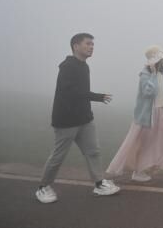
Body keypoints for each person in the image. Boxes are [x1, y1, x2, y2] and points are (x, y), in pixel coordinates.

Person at [35, 33, 120, 203]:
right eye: (88, 43)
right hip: (66, 120)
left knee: (93, 151)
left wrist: (89, 109)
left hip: (85, 119)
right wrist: (97, 97)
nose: (91, 47)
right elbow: (71, 92)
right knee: (58, 156)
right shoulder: (67, 67)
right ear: (76, 46)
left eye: (92, 44)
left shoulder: (84, 66)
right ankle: (43, 187)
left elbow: (80, 93)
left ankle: (99, 184)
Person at [105, 45, 163, 183]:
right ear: (157, 59)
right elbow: (149, 92)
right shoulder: (145, 74)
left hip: (161, 112)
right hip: (148, 115)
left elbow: (160, 91)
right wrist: (153, 74)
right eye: (162, 56)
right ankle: (139, 172)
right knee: (147, 144)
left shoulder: (162, 72)